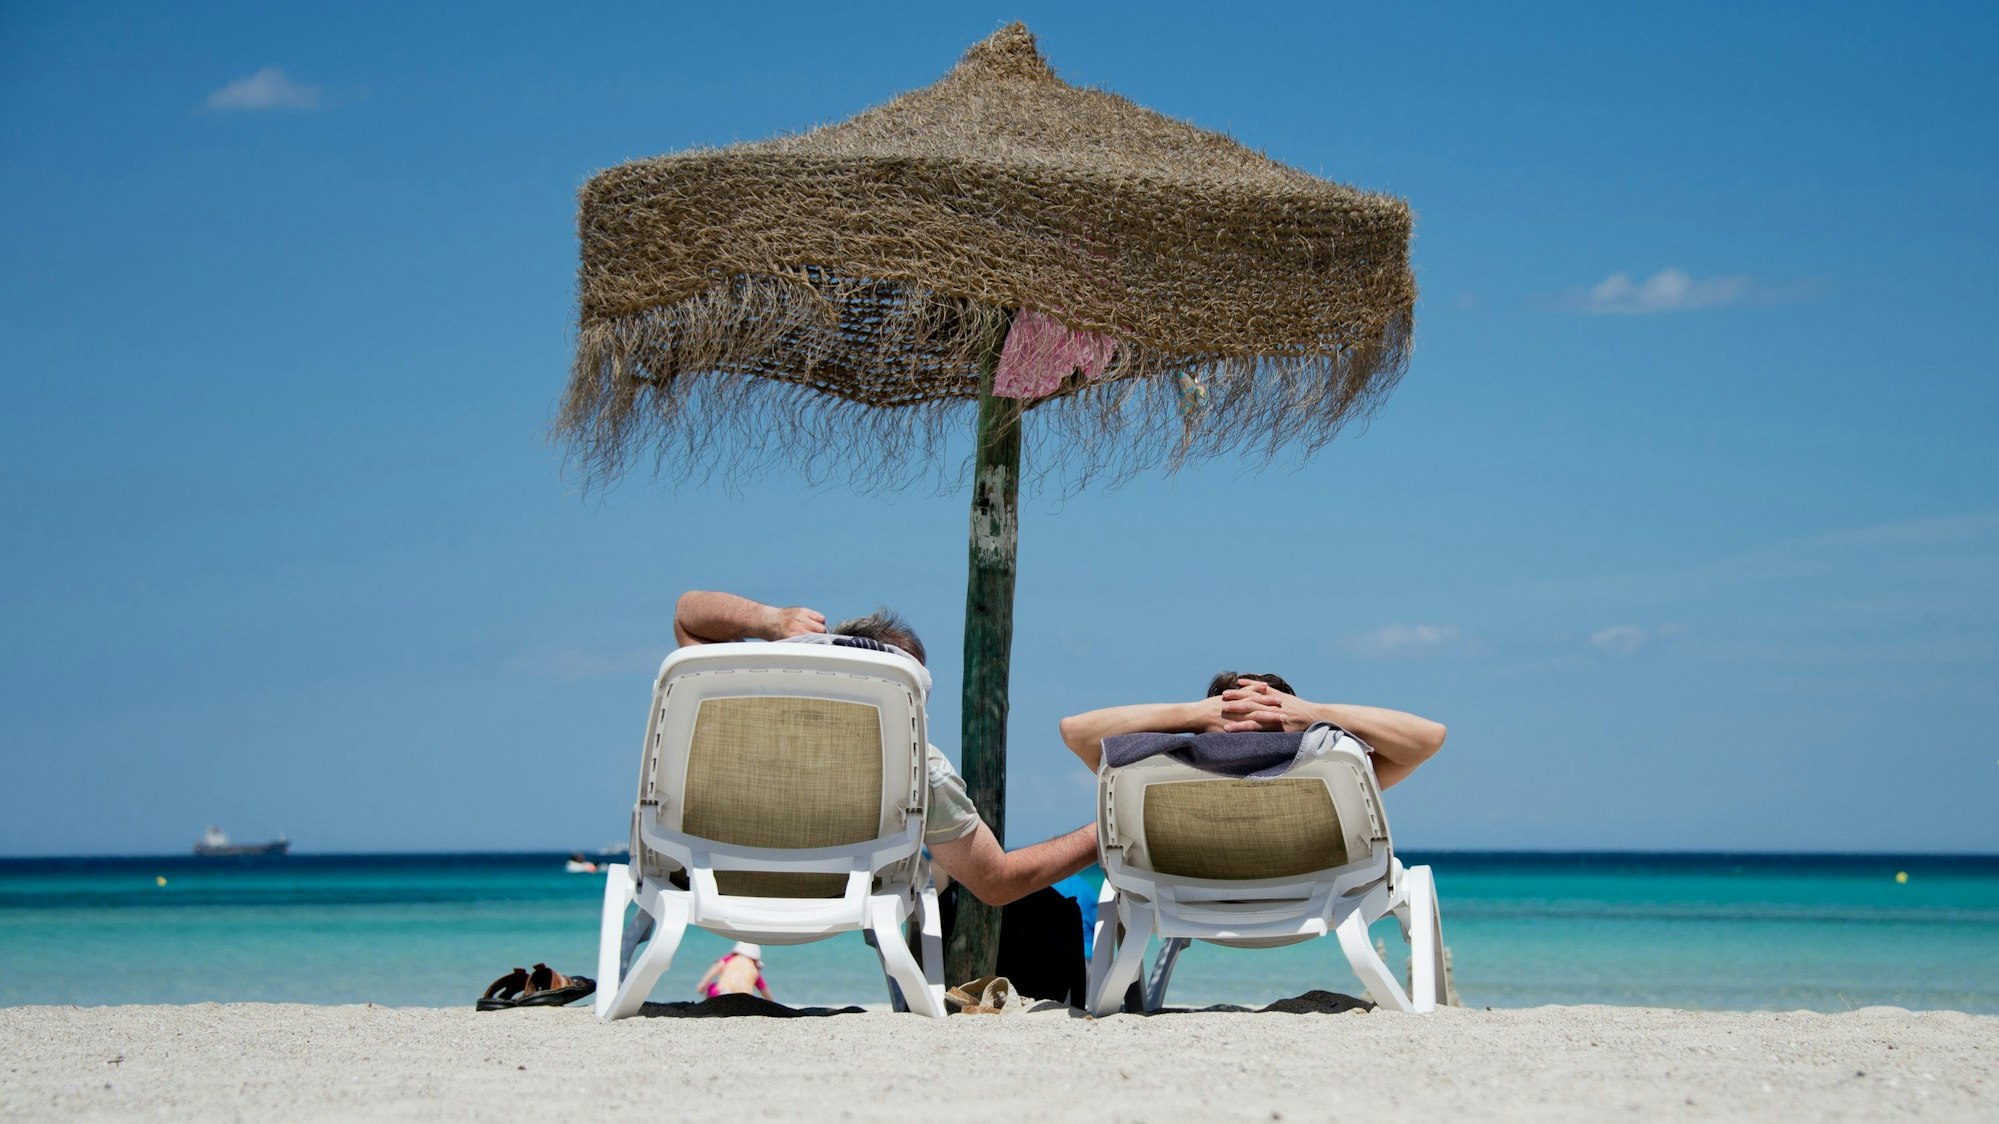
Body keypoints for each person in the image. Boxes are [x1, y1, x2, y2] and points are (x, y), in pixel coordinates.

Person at [671, 590, 1097, 907]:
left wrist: (770, 622)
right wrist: (1105, 832)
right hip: (843, 902)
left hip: (713, 886)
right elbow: (996, 881)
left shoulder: (738, 711)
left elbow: (689, 617)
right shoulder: (914, 766)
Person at [1058, 670, 1445, 788]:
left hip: (1184, 895)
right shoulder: (1336, 774)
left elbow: (1077, 733)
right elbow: (1427, 739)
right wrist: (1313, 714)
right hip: (1313, 895)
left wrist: (1193, 716)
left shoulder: (1155, 771)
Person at [694, 941, 774, 1001]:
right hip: (744, 999)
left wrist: (703, 983)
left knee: (711, 987)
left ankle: (709, 1005)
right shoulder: (753, 970)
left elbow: (716, 968)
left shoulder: (730, 959)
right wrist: (772, 1003)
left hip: (721, 993)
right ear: (755, 960)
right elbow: (764, 989)